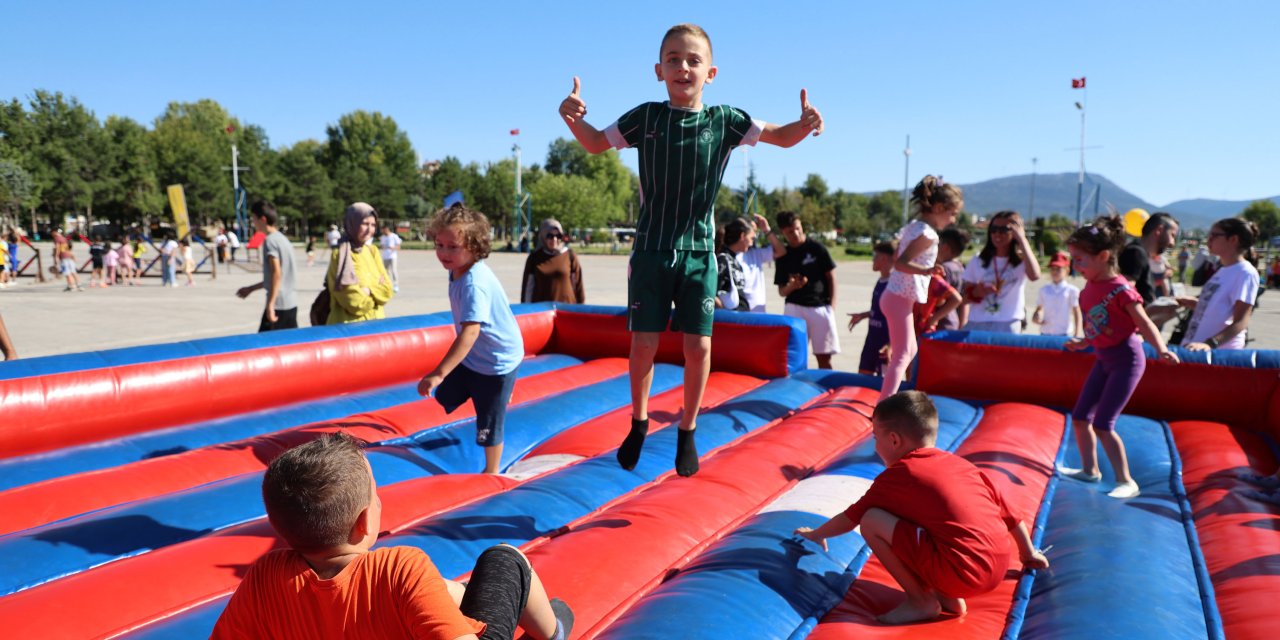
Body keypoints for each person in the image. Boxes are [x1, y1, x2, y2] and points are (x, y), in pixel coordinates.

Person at [559, 22, 824, 477]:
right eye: (674, 59)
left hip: (700, 251)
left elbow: (781, 137)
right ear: (659, 70)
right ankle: (639, 422)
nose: (683, 67)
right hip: (651, 249)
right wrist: (570, 116)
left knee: (699, 345)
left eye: (693, 60)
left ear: (711, 72)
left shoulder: (725, 121)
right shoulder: (646, 117)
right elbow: (596, 143)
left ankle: (687, 428)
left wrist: (805, 124)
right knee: (643, 342)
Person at [210, 432, 574, 640]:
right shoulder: (400, 567)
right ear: (365, 521)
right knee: (505, 559)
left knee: (450, 590)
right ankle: (553, 633)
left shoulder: (264, 576)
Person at [794, 391, 1049, 624]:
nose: (875, 445)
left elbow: (853, 517)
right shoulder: (963, 466)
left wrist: (816, 534)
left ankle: (921, 601)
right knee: (925, 521)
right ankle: (947, 596)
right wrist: (1027, 554)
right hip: (997, 570)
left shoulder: (901, 473)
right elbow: (1011, 516)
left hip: (961, 573)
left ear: (893, 440)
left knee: (872, 519)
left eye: (875, 438)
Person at [1060, 216, 1179, 499]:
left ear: (1103, 256)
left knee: (1103, 424)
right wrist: (1084, 341)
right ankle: (1090, 470)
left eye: (1080, 260)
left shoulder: (1121, 289)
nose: (1076, 266)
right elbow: (1097, 325)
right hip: (1103, 358)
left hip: (1127, 361)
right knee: (1079, 417)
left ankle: (1127, 480)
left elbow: (1145, 323)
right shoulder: (1088, 288)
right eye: (1073, 259)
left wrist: (1161, 349)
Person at [419, 204, 524, 475]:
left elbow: (470, 332)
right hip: (477, 355)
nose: (443, 253)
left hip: (496, 361)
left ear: (475, 247)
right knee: (446, 398)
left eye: (452, 247)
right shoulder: (457, 269)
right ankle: (495, 393)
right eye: (439, 245)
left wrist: (439, 372)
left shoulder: (474, 283)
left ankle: (492, 470)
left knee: (488, 422)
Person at [879, 175, 961, 401]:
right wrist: (926, 271)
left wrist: (925, 269)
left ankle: (891, 398)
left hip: (897, 298)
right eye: (952, 213)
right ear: (938, 207)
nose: (953, 220)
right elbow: (900, 262)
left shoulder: (915, 227)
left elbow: (899, 255)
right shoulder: (928, 235)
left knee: (909, 351)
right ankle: (883, 406)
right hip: (897, 299)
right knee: (903, 354)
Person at [1177, 218, 1261, 351]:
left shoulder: (1245, 273)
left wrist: (1210, 344)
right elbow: (1221, 308)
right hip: (1196, 349)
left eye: (1214, 235)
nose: (1208, 240)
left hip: (1217, 354)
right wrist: (1195, 304)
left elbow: (1241, 321)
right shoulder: (1222, 270)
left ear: (1233, 240)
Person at [775, 211, 839, 369]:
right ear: (783, 232)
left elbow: (831, 277)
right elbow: (782, 291)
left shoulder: (817, 248)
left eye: (798, 228)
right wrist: (792, 286)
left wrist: (832, 307)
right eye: (790, 231)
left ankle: (826, 389)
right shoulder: (783, 255)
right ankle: (795, 391)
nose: (796, 233)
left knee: (824, 358)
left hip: (820, 307)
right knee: (793, 357)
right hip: (794, 309)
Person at [962, 211, 1041, 333]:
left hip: (1008, 323)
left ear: (1016, 231)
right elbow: (963, 298)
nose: (997, 233)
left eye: (1005, 229)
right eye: (994, 229)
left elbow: (1035, 276)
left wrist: (1022, 240)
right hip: (977, 322)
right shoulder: (978, 260)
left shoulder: (1021, 262)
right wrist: (976, 292)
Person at [326, 203, 394, 324]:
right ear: (353, 223)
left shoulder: (373, 251)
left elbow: (388, 290)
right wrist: (376, 293)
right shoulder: (340, 254)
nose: (370, 230)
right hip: (349, 331)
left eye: (373, 225)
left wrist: (367, 290)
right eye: (365, 224)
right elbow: (353, 301)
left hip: (376, 327)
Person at [237, 201, 300, 332]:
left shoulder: (270, 241)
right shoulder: (282, 239)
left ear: (263, 219)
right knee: (289, 346)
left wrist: (271, 305)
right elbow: (276, 276)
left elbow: (276, 273)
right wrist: (251, 288)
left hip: (278, 305)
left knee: (266, 347)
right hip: (290, 303)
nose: (252, 222)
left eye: (253, 218)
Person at [847, 241, 894, 376]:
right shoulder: (881, 280)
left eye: (875, 256)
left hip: (884, 343)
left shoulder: (894, 286)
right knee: (863, 376)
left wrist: (891, 344)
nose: (872, 260)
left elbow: (900, 318)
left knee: (882, 384)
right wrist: (863, 315)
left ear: (884, 258)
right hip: (871, 340)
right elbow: (881, 310)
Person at [521, 218, 585, 304]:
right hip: (541, 311)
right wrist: (526, 309)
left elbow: (578, 285)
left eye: (558, 236)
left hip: (566, 309)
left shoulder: (569, 255)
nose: (554, 239)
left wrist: (580, 307)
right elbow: (528, 288)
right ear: (543, 236)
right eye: (550, 236)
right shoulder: (534, 258)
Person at [735, 213, 787, 312]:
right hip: (739, 315)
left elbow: (781, 251)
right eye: (753, 231)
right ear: (742, 233)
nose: (755, 236)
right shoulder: (729, 257)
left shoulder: (755, 253)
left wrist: (766, 230)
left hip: (758, 314)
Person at [1032, 251, 1082, 337]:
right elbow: (1039, 308)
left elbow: (1076, 312)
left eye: (1058, 269)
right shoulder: (1044, 290)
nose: (1055, 272)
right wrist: (1036, 316)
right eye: (1052, 269)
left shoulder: (1072, 290)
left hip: (1064, 333)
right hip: (1045, 332)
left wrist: (1077, 333)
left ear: (1067, 270)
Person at [935, 227, 970, 330]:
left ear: (945, 247)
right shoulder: (961, 268)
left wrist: (933, 319)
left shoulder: (944, 269)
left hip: (941, 323)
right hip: (954, 322)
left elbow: (939, 300)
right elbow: (964, 300)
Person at [714, 225, 748, 311]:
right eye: (751, 238)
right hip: (730, 319)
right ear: (742, 236)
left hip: (740, 316)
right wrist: (723, 309)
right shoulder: (723, 260)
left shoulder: (735, 261)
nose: (751, 243)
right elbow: (710, 291)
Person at [381, 224, 403, 292]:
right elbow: (382, 246)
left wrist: (393, 248)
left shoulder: (394, 236)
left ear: (387, 229)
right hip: (385, 256)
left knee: (393, 270)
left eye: (383, 229)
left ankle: (396, 285)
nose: (382, 231)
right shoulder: (383, 237)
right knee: (386, 271)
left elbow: (399, 247)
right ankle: (388, 284)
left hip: (392, 256)